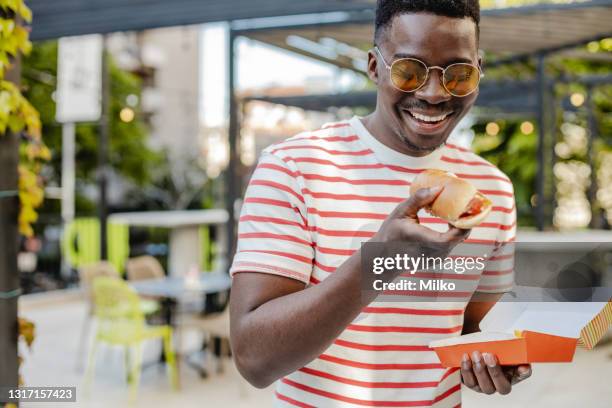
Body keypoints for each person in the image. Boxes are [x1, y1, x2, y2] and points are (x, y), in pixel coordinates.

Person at [229, 1, 532, 406]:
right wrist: (380, 261)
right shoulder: (294, 168)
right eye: (409, 71)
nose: (434, 93)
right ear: (375, 66)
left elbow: (465, 328)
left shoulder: (491, 190)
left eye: (458, 75)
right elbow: (254, 359)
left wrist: (490, 360)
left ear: (479, 69)